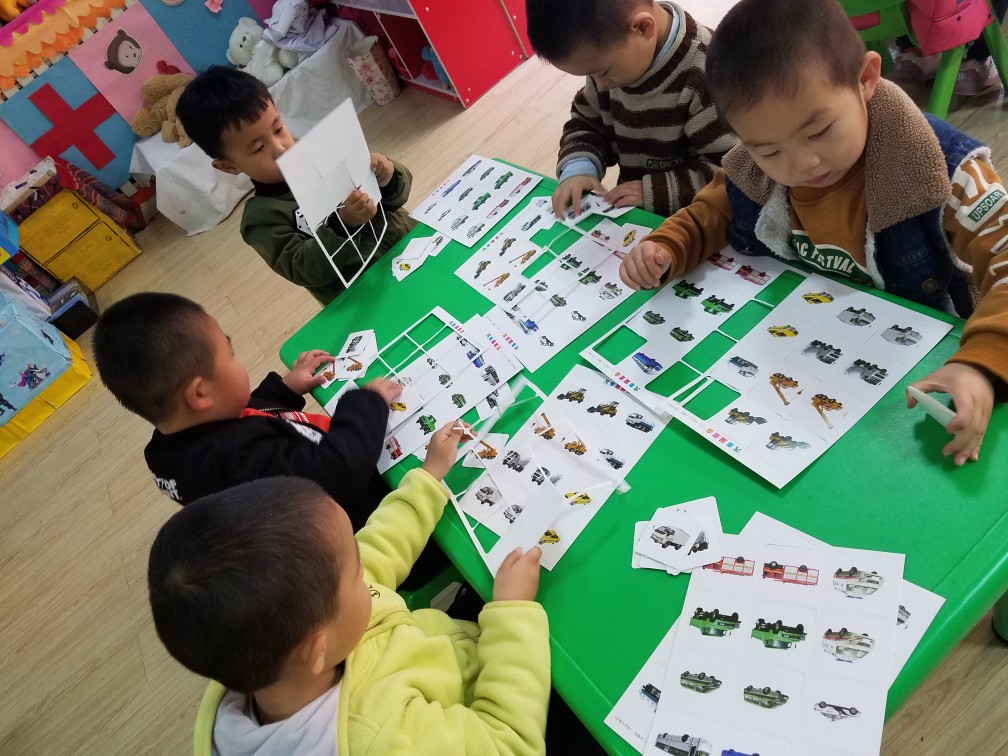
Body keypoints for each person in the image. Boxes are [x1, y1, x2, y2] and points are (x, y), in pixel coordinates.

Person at [619, 0, 1007, 467]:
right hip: (811, 366)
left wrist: (980, 363)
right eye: (768, 150)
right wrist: (668, 244)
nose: (802, 164)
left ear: (865, 79)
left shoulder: (945, 172)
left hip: (922, 372)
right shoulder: (752, 170)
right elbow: (714, 206)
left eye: (819, 131)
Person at [147, 422, 551, 755]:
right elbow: (509, 743)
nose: (364, 571)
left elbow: (377, 549)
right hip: (505, 696)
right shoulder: (384, 738)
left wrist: (427, 479)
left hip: (448, 645)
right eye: (356, 574)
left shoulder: (274, 650)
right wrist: (512, 612)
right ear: (316, 648)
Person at [92, 291, 398, 527]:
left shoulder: (178, 438)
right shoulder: (234, 463)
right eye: (231, 355)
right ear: (200, 393)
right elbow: (340, 473)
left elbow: (244, 414)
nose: (238, 361)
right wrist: (366, 403)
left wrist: (285, 389)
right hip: (375, 527)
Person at [176, 66, 416, 304]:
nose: (280, 148)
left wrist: (387, 175)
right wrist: (342, 226)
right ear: (229, 166)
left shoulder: (329, 154)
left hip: (410, 245)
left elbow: (398, 198)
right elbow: (305, 270)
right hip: (364, 299)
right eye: (259, 148)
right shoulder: (261, 219)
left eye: (278, 129)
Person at [525, 0, 736, 218]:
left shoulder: (709, 75)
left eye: (602, 72)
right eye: (591, 75)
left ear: (643, 28)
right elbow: (587, 122)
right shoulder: (612, 63)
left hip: (694, 219)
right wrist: (579, 166)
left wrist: (654, 192)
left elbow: (730, 173)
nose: (601, 84)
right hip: (635, 211)